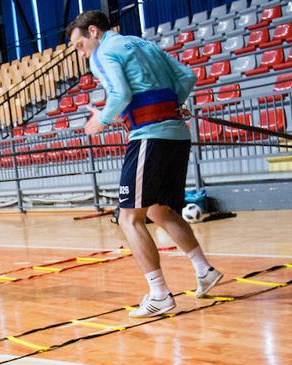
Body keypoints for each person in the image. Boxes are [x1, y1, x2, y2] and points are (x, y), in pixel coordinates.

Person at [68, 11, 223, 317]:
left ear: (94, 32)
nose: (81, 53)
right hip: (177, 134)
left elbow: (121, 93)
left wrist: (101, 118)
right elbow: (187, 77)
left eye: (79, 45)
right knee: (158, 210)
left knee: (129, 219)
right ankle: (204, 270)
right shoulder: (143, 44)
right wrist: (167, 107)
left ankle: (160, 294)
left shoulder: (101, 54)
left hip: (149, 137)